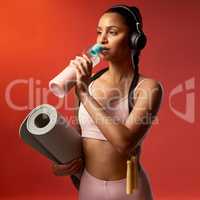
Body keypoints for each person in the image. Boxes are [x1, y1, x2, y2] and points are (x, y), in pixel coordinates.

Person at [52, 4, 163, 200]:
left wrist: (85, 95)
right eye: (99, 32)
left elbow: (124, 143)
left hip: (129, 188)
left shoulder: (148, 88)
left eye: (112, 32)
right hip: (89, 186)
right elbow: (76, 141)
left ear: (134, 40)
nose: (102, 40)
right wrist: (61, 163)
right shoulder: (88, 82)